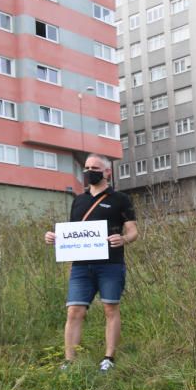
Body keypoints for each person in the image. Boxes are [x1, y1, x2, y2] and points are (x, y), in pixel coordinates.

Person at [44, 154, 138, 371]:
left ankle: (109, 358)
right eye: (86, 167)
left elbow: (133, 232)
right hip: (80, 266)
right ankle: (69, 361)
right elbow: (73, 233)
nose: (89, 171)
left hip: (110, 264)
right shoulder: (79, 200)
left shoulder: (121, 199)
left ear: (107, 172)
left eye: (94, 167)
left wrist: (123, 239)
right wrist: (54, 238)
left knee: (110, 308)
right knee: (74, 311)